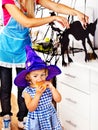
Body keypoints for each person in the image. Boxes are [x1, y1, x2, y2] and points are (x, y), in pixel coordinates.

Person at [0, 0, 89, 129]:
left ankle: (22, 117)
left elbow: (56, 6)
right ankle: (6, 117)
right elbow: (26, 22)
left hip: (23, 48)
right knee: (5, 87)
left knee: (24, 86)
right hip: (5, 48)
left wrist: (77, 13)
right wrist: (54, 17)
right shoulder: (8, 1)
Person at [14, 45, 62, 130]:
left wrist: (52, 88)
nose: (39, 78)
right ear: (28, 77)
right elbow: (31, 108)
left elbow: (58, 99)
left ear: (46, 74)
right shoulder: (27, 91)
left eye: (42, 75)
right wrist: (37, 94)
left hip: (50, 116)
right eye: (35, 76)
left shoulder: (47, 86)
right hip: (37, 119)